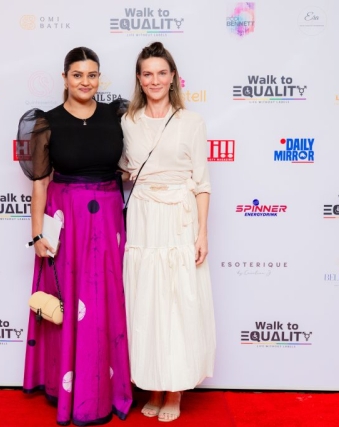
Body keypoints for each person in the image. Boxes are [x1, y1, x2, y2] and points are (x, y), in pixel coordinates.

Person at [17, 47, 132, 426]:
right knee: (69, 301)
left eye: (92, 75)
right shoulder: (46, 122)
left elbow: (135, 163)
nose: (86, 82)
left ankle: (105, 389)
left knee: (105, 300)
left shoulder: (116, 116)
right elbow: (40, 182)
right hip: (66, 221)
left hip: (109, 220)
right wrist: (37, 233)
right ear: (65, 78)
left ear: (100, 78)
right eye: (78, 75)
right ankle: (68, 386)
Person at [119, 42, 216, 422]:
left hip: (179, 219)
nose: (155, 80)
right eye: (148, 74)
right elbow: (125, 169)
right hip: (144, 218)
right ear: (139, 79)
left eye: (162, 73)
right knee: (147, 302)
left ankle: (174, 390)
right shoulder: (128, 121)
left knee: (177, 302)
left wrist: (202, 233)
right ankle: (153, 385)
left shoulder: (192, 122)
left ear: (173, 76)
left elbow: (202, 183)